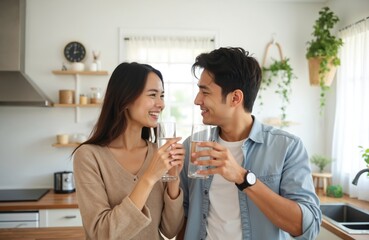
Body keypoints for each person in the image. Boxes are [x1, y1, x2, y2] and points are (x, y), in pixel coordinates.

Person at [178, 47, 322, 240]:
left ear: (235, 98)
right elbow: (184, 218)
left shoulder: (287, 148)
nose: (197, 100)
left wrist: (242, 177)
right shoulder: (192, 146)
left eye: (205, 92)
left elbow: (306, 227)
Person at [73, 62, 185, 240]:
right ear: (126, 99)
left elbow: (170, 230)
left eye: (162, 96)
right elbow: (101, 234)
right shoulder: (89, 156)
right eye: (152, 95)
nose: (161, 104)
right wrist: (148, 178)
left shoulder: (158, 154)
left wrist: (173, 179)